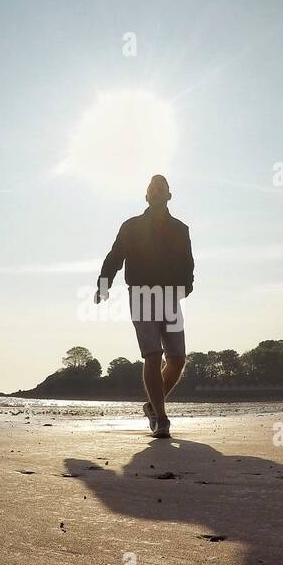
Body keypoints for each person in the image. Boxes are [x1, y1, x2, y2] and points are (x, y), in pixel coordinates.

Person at [95, 174, 194, 438]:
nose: (157, 191)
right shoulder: (132, 226)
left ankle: (152, 405)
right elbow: (115, 256)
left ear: (168, 196)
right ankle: (161, 419)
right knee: (153, 354)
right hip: (141, 293)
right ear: (146, 195)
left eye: (162, 188)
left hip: (170, 296)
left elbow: (188, 264)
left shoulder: (181, 229)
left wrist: (187, 286)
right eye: (152, 188)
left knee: (177, 359)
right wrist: (103, 285)